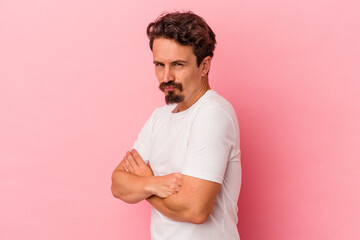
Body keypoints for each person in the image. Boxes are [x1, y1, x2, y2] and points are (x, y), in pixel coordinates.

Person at [111, 11, 241, 240]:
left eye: (178, 64)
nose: (165, 77)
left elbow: (195, 209)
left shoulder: (213, 114)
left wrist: (144, 186)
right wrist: (155, 182)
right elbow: (118, 184)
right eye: (159, 65)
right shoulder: (159, 118)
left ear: (204, 66)